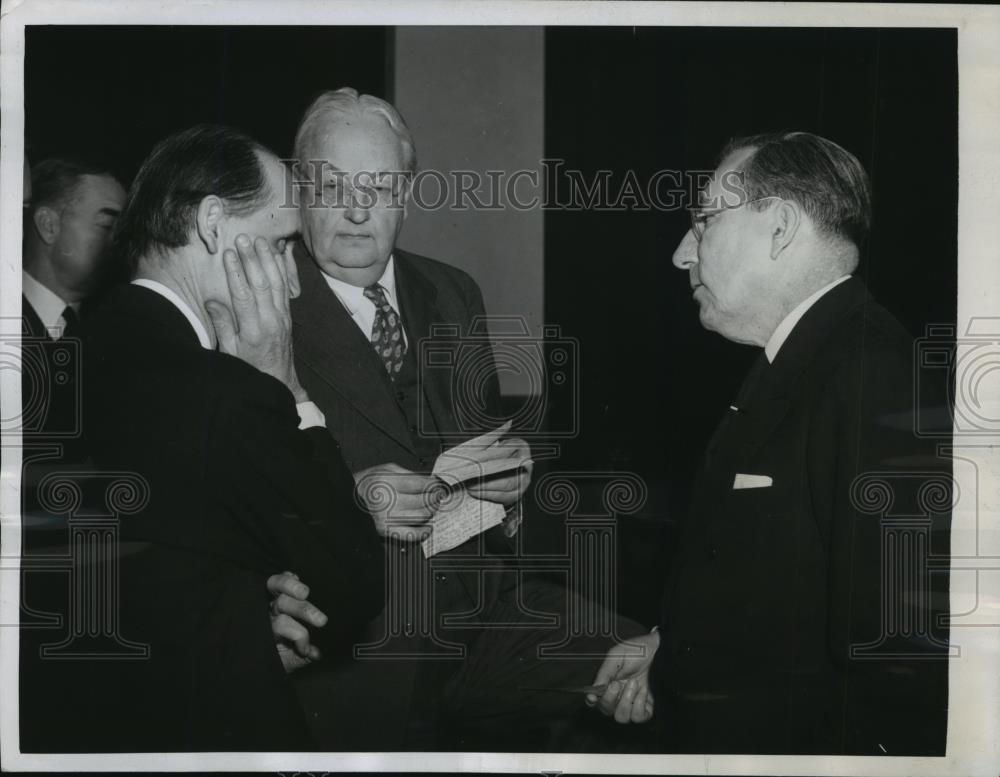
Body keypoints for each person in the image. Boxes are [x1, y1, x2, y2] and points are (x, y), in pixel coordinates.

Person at [289, 87, 645, 750]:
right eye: (333, 184)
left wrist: (510, 488)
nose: (358, 209)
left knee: (652, 662)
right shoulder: (263, 307)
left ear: (407, 193)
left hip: (482, 612)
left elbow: (487, 447)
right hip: (358, 644)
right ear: (297, 189)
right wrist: (355, 497)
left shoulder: (453, 291)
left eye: (381, 186)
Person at [21, 124, 385, 752]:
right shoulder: (222, 389)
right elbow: (355, 584)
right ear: (215, 225)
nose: (293, 284)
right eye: (281, 244)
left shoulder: (63, 356)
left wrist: (240, 607)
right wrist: (288, 387)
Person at [589, 132, 950, 755]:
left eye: (702, 221)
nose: (681, 254)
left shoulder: (874, 378)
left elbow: (899, 655)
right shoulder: (800, 359)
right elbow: (771, 579)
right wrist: (664, 641)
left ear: (780, 227)